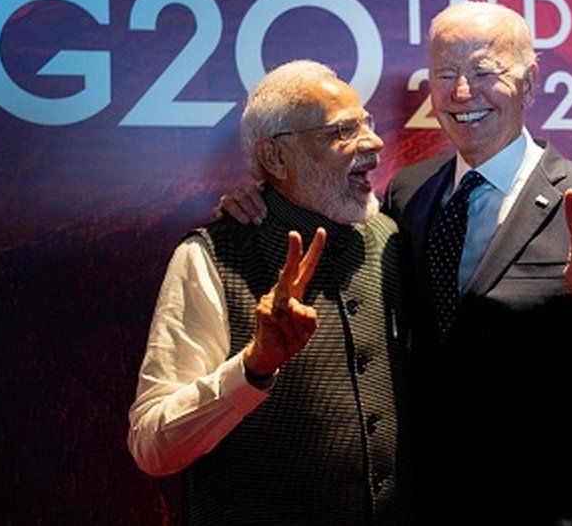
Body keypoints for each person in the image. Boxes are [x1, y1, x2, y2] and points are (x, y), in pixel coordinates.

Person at [221, 2, 572, 525]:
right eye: (445, 74)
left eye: (483, 71)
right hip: (430, 506)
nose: (462, 92)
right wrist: (263, 200)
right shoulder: (408, 193)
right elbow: (327, 221)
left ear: (530, 83)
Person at [128, 60, 413, 525]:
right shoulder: (211, 258)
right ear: (275, 158)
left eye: (367, 122)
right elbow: (152, 446)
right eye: (342, 130)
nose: (374, 141)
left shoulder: (389, 239)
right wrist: (254, 367)